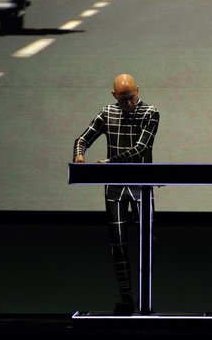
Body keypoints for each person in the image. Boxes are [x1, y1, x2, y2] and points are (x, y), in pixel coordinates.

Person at [73, 73, 159, 315]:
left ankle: (145, 295)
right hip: (115, 187)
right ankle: (125, 297)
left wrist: (110, 162)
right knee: (118, 243)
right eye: (123, 99)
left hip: (141, 183)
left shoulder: (150, 113)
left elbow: (141, 148)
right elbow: (83, 138)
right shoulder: (107, 113)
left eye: (131, 97)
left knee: (147, 242)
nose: (128, 103)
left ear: (138, 90)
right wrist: (79, 155)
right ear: (114, 95)